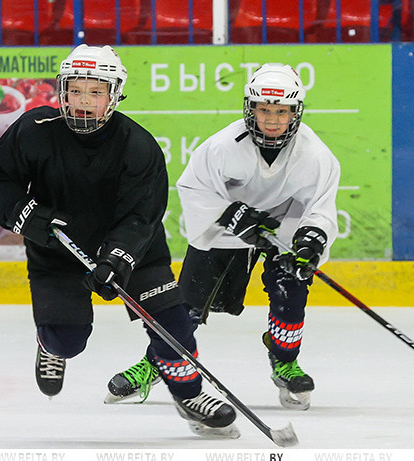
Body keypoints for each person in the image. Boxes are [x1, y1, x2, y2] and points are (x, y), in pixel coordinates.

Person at [0, 44, 239, 439]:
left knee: (173, 324)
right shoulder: (34, 130)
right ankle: (52, 345)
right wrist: (29, 216)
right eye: (76, 90)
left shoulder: (138, 145)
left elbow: (142, 215)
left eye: (95, 92)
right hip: (56, 248)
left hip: (134, 252)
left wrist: (116, 259)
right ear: (61, 91)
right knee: (67, 339)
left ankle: (191, 395)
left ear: (113, 96)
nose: (83, 101)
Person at [106, 63, 340, 411]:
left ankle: (285, 359)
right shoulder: (221, 147)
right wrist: (230, 214)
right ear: (251, 109)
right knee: (186, 305)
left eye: (281, 112)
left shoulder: (316, 155)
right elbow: (193, 189)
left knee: (290, 289)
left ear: (295, 113)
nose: (273, 120)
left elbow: (320, 206)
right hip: (226, 228)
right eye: (264, 110)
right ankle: (156, 362)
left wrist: (312, 239)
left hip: (284, 226)